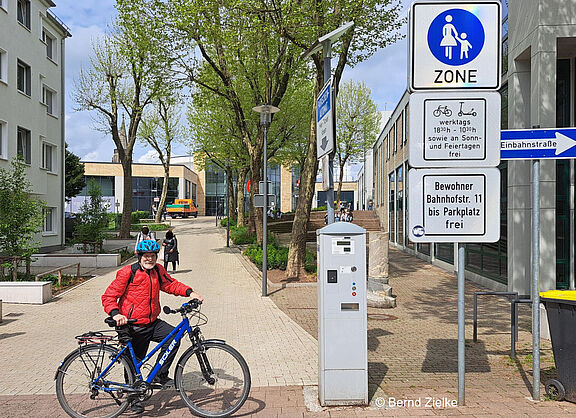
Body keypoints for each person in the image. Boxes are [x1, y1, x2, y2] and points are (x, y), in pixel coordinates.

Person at [102, 240, 203, 414]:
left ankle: (159, 375)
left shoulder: (158, 271)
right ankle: (133, 398)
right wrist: (116, 314)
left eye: (152, 256)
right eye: (146, 256)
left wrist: (190, 292)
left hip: (152, 322)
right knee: (134, 364)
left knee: (174, 336)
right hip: (132, 325)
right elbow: (109, 296)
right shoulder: (128, 272)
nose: (149, 259)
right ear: (140, 257)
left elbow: (170, 284)